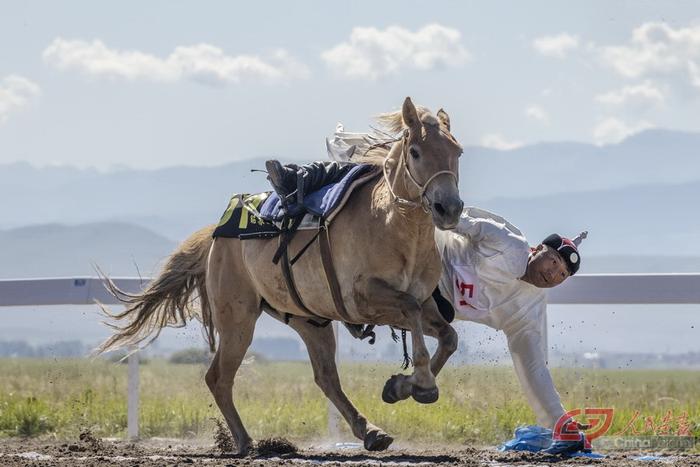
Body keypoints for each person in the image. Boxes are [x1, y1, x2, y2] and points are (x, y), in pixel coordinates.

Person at [263, 127, 589, 452]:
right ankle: (299, 180)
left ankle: (416, 378)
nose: (553, 273)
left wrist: (559, 422)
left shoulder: (528, 309)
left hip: (434, 306)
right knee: (376, 175)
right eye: (553, 262)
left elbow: (532, 367)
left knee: (447, 331)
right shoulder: (507, 242)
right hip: (418, 266)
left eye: (561, 273)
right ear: (538, 250)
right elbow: (458, 221)